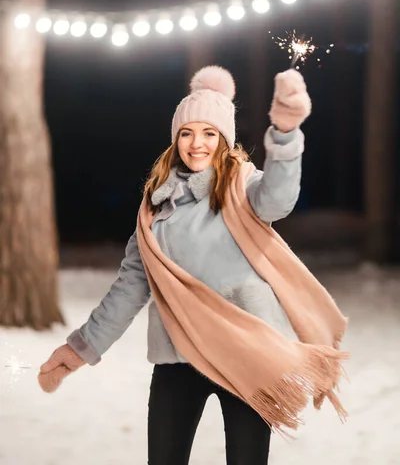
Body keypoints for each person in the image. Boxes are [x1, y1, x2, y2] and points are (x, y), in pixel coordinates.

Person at [38, 65, 348, 465]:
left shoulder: (245, 189)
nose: (196, 143)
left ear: (223, 140)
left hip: (245, 354)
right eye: (186, 133)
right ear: (175, 140)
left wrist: (286, 136)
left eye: (208, 133)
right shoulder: (154, 208)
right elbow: (131, 286)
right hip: (177, 356)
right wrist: (81, 347)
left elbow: (279, 199)